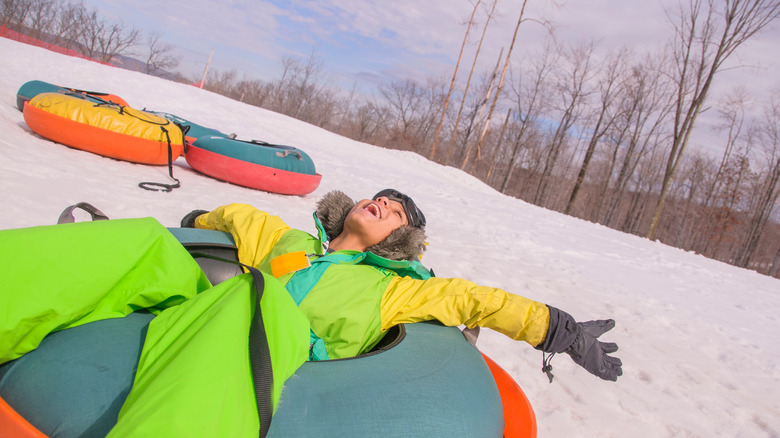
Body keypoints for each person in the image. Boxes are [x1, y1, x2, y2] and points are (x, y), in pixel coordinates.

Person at [182, 189, 622, 381]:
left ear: (396, 240)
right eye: (379, 198)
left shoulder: (390, 291)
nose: (383, 203)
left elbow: (473, 300)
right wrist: (194, 224)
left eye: (394, 212)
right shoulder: (285, 238)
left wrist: (561, 332)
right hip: (198, 328)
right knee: (145, 246)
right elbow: (236, 214)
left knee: (265, 306)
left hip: (261, 366)